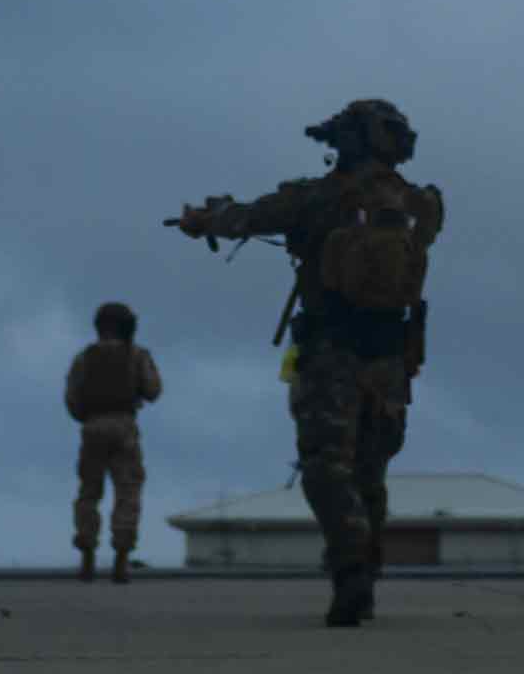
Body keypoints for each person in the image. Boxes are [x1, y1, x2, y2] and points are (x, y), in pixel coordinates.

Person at [170, 100, 441, 628]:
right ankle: (366, 572)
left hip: (331, 352)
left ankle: (350, 568)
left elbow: (246, 218)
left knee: (324, 465)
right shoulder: (420, 205)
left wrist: (205, 217)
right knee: (370, 471)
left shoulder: (317, 196)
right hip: (390, 358)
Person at [65, 301, 163, 583]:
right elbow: (154, 390)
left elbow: (72, 399)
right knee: (128, 492)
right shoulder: (137, 355)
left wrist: (88, 416)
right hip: (124, 426)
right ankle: (121, 560)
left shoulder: (84, 358)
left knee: (88, 493)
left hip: (92, 427)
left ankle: (87, 559)